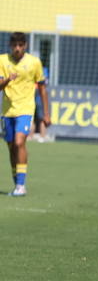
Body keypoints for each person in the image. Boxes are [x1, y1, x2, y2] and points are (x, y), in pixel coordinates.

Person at [0, 31, 49, 197]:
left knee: (19, 142)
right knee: (12, 147)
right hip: (7, 111)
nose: (17, 49)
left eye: (20, 46)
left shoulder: (34, 62)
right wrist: (7, 80)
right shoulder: (2, 60)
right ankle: (17, 183)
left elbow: (42, 88)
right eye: (14, 46)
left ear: (25, 46)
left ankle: (21, 186)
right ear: (10, 46)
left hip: (26, 109)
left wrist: (46, 114)